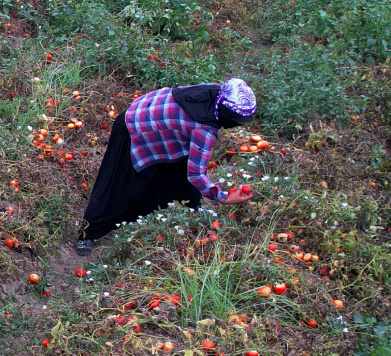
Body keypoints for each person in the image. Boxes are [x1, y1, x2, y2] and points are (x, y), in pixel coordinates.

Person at [74, 78, 257, 256]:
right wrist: (224, 197)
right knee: (119, 185)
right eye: (237, 119)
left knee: (179, 178)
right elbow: (196, 174)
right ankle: (88, 232)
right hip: (134, 126)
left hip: (156, 121)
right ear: (225, 110)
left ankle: (185, 215)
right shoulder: (204, 129)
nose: (240, 123)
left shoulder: (217, 92)